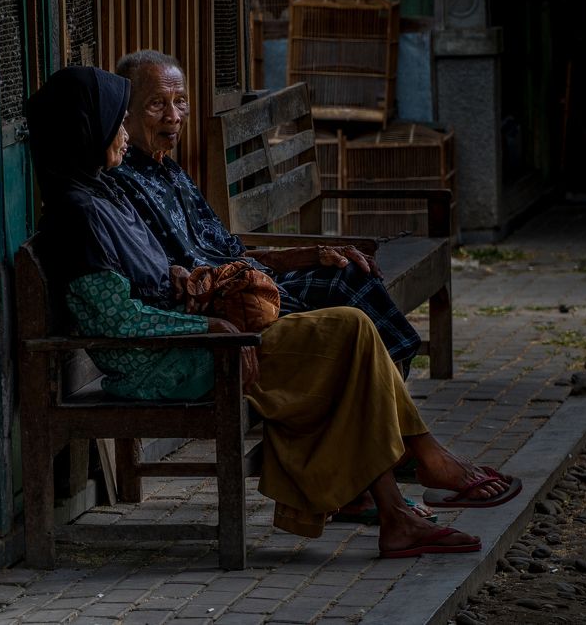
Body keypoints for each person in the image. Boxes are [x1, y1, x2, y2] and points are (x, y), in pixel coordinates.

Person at [25, 66, 520, 558]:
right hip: (163, 361)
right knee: (347, 333)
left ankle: (395, 511)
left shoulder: (101, 192)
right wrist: (208, 324)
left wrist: (187, 285)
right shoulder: (77, 213)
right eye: (117, 121)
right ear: (86, 128)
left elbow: (149, 277)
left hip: (191, 342)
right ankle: (399, 502)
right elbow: (119, 322)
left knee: (352, 332)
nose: (125, 134)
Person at [110, 50, 421, 377]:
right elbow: (168, 277)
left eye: (181, 101)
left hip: (250, 277)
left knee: (351, 272)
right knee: (345, 301)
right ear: (125, 114)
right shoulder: (123, 182)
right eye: (157, 104)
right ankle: (389, 405)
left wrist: (314, 255)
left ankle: (389, 400)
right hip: (229, 300)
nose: (173, 116)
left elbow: (230, 251)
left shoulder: (170, 170)